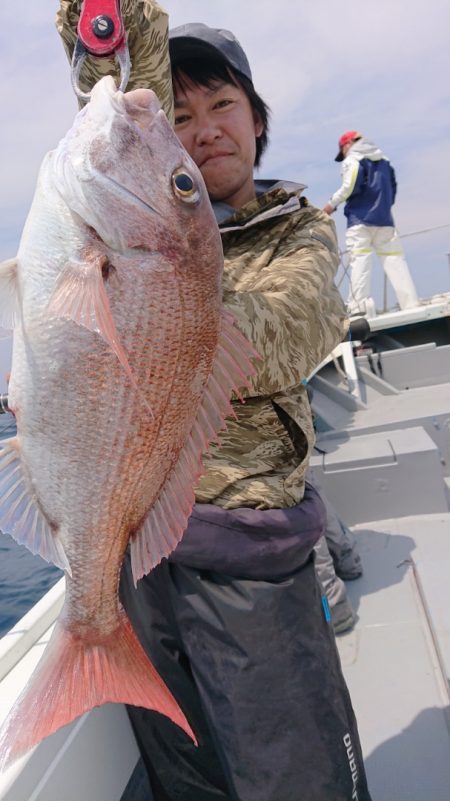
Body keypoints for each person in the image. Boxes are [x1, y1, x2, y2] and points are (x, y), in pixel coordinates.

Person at [58, 7, 372, 801]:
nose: (204, 130)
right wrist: (107, 26)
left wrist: (175, 258)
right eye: (181, 115)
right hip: (141, 556)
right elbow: (117, 114)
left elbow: (279, 335)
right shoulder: (136, 217)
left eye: (223, 105)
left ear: (258, 121)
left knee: (296, 781)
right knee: (184, 777)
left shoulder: (299, 232)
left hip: (248, 559)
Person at [323, 130, 419, 316]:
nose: (343, 156)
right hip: (385, 221)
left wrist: (330, 205)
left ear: (347, 145)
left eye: (342, 151)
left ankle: (358, 308)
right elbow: (392, 188)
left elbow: (349, 186)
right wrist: (383, 209)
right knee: (395, 261)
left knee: (360, 261)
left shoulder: (353, 159)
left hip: (360, 221)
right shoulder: (385, 161)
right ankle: (411, 305)